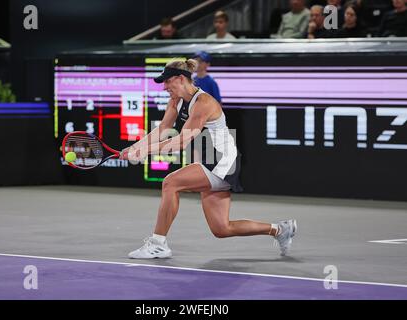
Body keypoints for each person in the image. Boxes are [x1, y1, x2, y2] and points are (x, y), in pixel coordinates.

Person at [120, 59, 297, 259]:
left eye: (167, 81)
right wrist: (134, 147)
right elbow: (161, 130)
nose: (165, 87)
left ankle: (158, 244)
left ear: (180, 78)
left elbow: (180, 141)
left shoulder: (203, 103)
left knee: (170, 183)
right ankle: (280, 230)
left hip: (222, 162)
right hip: (210, 162)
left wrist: (145, 152)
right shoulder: (176, 101)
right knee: (222, 228)